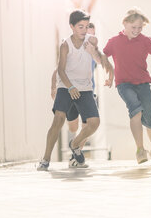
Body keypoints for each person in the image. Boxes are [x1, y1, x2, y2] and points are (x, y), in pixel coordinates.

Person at [38, 11, 113, 171]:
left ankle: (75, 144)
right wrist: (69, 87)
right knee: (58, 120)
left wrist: (94, 52)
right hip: (66, 86)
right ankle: (45, 159)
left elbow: (100, 60)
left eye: (86, 26)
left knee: (94, 123)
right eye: (80, 26)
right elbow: (60, 69)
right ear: (72, 27)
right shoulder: (66, 45)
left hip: (85, 88)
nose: (84, 30)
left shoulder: (91, 41)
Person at [103, 8, 151, 167]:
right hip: (124, 84)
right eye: (133, 28)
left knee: (150, 119)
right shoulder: (114, 42)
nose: (137, 31)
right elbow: (104, 56)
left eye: (140, 28)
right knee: (135, 109)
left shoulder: (145, 41)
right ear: (124, 24)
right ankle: (140, 150)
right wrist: (110, 75)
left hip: (143, 83)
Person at [49, 22, 97, 148]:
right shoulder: (72, 48)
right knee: (73, 126)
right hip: (71, 91)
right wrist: (53, 87)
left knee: (87, 125)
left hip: (88, 92)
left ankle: (76, 154)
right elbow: (58, 69)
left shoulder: (93, 52)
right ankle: (74, 142)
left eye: (92, 35)